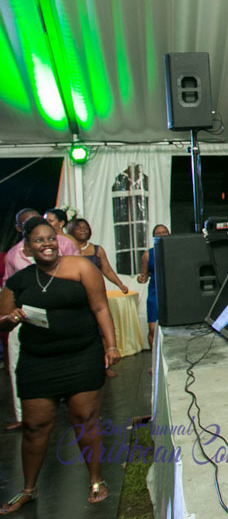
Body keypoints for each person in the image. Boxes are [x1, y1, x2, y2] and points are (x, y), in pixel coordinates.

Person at [0, 218, 122, 512]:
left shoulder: (81, 268)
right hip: (38, 361)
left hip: (81, 356)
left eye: (51, 238)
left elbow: (100, 307)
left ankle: (96, 480)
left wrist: (111, 345)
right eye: (39, 240)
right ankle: (28, 489)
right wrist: (10, 319)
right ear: (27, 247)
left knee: (85, 418)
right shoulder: (18, 281)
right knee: (34, 426)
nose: (47, 244)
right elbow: (2, 319)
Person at [3, 210, 79, 431]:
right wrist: (11, 315)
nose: (35, 225)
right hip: (26, 319)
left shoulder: (63, 244)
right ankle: (23, 415)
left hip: (61, 315)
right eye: (27, 223)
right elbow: (8, 287)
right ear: (20, 229)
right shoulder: (13, 255)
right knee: (18, 365)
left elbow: (80, 272)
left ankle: (73, 408)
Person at [65, 218, 130, 294]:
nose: (83, 230)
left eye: (85, 228)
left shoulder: (98, 250)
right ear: (71, 231)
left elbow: (108, 271)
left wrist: (120, 285)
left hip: (95, 289)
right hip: (73, 290)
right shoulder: (66, 250)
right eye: (79, 228)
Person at [137, 224, 170, 352]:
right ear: (153, 236)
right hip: (154, 292)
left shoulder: (176, 249)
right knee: (152, 329)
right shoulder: (147, 254)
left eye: (164, 232)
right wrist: (141, 278)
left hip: (171, 292)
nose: (161, 235)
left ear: (169, 234)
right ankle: (153, 358)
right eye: (158, 233)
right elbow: (144, 275)